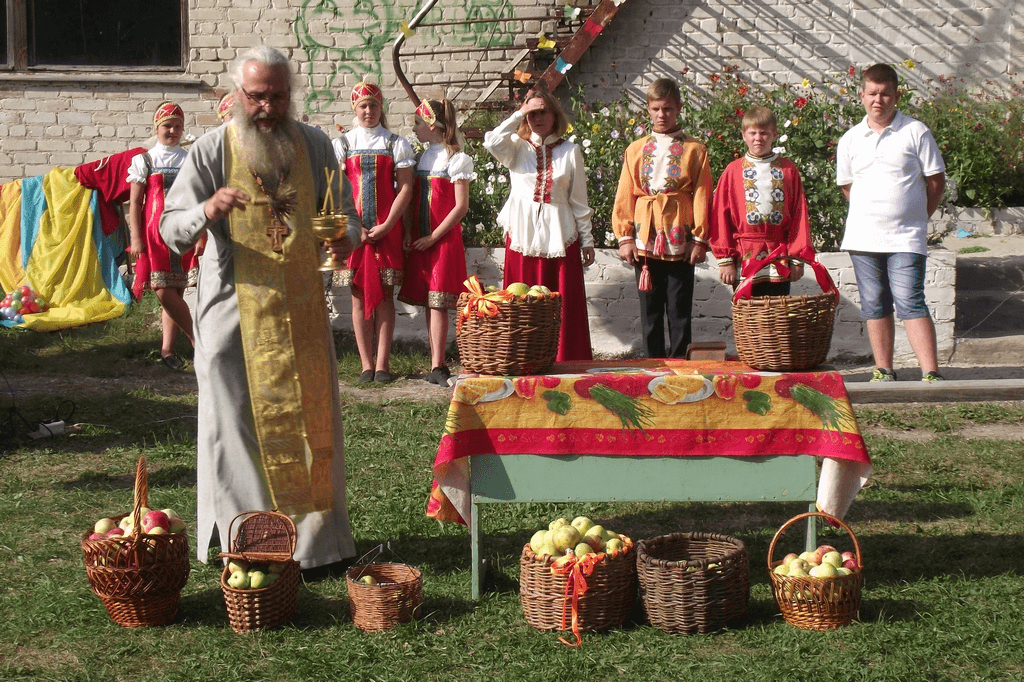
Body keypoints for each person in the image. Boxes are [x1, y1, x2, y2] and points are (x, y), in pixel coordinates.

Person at [160, 44, 362, 572]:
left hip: (301, 318)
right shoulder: (210, 150)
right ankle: (244, 543)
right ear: (236, 95)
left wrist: (345, 240)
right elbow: (170, 226)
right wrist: (207, 208)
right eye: (256, 97)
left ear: (289, 96)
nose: (267, 108)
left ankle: (316, 546)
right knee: (234, 430)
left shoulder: (316, 146)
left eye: (277, 96)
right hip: (231, 315)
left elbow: (342, 215)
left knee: (308, 427)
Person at [837, 63, 946, 382]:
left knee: (910, 299)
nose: (878, 100)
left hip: (906, 238)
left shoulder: (916, 131)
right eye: (872, 93)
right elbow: (848, 186)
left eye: (885, 94)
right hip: (862, 239)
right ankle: (884, 369)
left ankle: (931, 372)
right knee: (873, 302)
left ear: (896, 96)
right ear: (861, 95)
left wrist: (917, 216)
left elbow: (935, 180)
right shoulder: (851, 139)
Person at [483, 89, 595, 362]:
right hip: (522, 236)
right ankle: (523, 361)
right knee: (521, 305)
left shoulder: (570, 151)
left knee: (562, 305)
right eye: (532, 113)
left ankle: (566, 360)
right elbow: (490, 141)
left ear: (555, 114)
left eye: (543, 111)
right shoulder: (516, 148)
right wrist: (520, 112)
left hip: (561, 236)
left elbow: (578, 201)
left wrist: (587, 240)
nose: (538, 117)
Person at [612, 78, 712, 358]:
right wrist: (625, 237)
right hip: (646, 237)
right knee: (650, 310)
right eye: (656, 108)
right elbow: (625, 194)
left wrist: (699, 239)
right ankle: (653, 366)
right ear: (648, 109)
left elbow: (703, 194)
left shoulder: (695, 150)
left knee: (679, 309)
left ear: (678, 108)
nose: (661, 115)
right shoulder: (635, 149)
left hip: (680, 237)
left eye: (667, 109)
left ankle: (681, 367)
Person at [333, 82, 415, 384]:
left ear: (381, 108)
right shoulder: (342, 144)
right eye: (363, 106)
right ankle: (365, 365)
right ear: (355, 110)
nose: (368, 111)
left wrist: (388, 225)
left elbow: (406, 187)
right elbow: (336, 189)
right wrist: (353, 226)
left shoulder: (396, 144)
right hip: (353, 232)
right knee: (357, 296)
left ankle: (382, 365)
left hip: (386, 231)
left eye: (374, 105)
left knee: (384, 298)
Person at [397, 99, 475, 386]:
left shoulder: (456, 158)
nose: (414, 128)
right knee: (429, 302)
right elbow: (411, 200)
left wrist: (432, 237)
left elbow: (460, 207)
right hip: (421, 239)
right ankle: (434, 362)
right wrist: (409, 232)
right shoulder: (421, 159)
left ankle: (440, 364)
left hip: (441, 240)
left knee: (439, 302)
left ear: (431, 125)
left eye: (417, 123)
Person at [711, 106, 814, 296]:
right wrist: (725, 259)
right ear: (743, 135)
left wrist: (797, 257)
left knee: (777, 318)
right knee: (748, 319)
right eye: (753, 133)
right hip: (745, 255)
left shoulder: (788, 170)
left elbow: (799, 214)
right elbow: (720, 215)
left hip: (779, 255)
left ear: (774, 134)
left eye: (764, 133)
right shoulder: (733, 171)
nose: (758, 138)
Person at [127, 102, 198, 369]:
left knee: (175, 291)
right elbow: (135, 203)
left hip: (184, 232)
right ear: (157, 128)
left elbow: (198, 196)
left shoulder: (189, 159)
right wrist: (136, 238)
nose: (173, 131)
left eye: (178, 126)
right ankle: (198, 340)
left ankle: (167, 350)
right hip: (155, 236)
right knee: (162, 290)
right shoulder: (144, 160)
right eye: (168, 126)